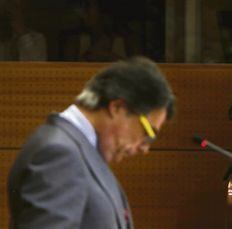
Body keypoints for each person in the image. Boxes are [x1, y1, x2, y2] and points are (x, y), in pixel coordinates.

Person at [8, 57, 175, 228]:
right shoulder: (60, 154)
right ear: (117, 107)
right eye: (147, 132)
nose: (144, 148)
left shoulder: (81, 150)